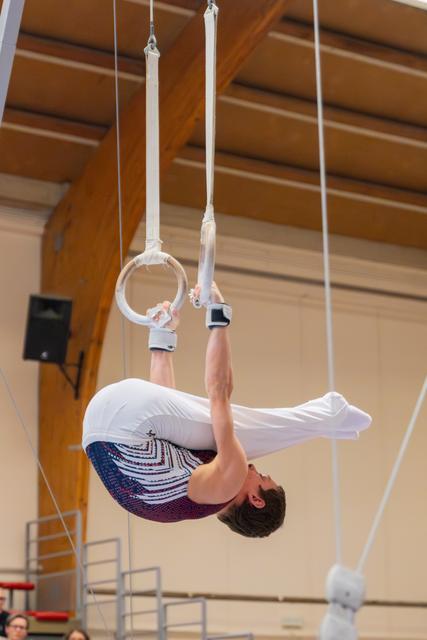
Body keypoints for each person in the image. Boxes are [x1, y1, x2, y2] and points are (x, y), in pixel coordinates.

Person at [83, 283, 371, 537]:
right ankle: (161, 333)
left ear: (256, 500)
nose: (255, 468)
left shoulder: (226, 483)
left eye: (263, 478)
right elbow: (166, 409)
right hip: (98, 428)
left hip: (125, 427)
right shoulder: (199, 496)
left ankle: (325, 416)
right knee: (204, 434)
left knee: (240, 429)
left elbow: (218, 391)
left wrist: (218, 315)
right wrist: (161, 340)